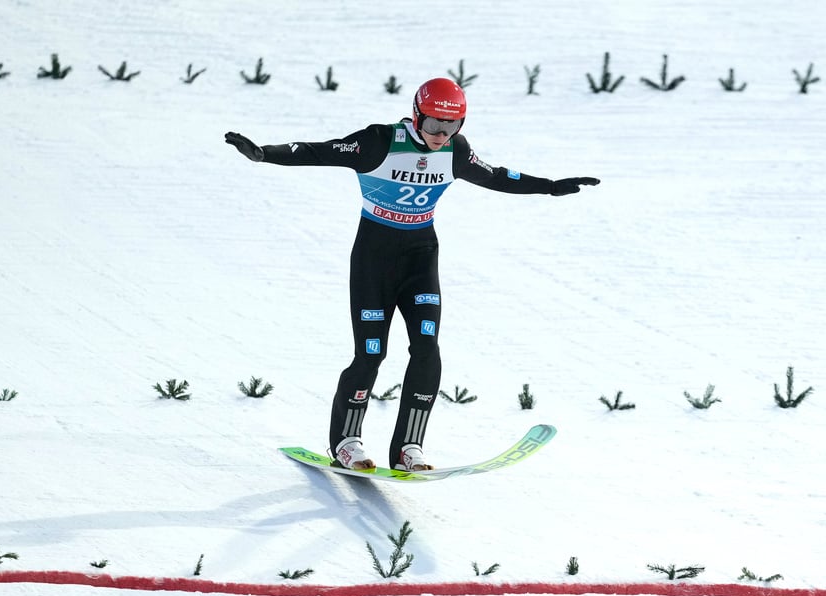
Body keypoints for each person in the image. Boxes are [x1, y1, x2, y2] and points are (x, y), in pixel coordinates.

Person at [225, 77, 598, 472]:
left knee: (426, 350)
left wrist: (550, 187)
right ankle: (346, 442)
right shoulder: (379, 142)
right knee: (371, 354)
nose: (441, 135)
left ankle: (408, 447)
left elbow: (495, 176)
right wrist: (264, 154)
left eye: (452, 126)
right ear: (417, 115)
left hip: (420, 261)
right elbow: (319, 151)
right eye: (434, 124)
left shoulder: (455, 151)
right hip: (373, 261)